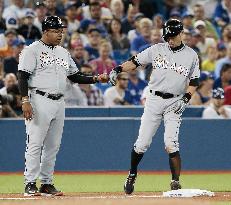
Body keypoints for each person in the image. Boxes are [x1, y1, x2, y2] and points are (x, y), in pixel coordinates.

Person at [17, 16, 108, 197]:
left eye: (61, 31)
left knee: (53, 145)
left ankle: (46, 183)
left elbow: (75, 76)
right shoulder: (32, 50)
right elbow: (22, 76)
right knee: (35, 143)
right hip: (39, 99)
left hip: (59, 101)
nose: (60, 34)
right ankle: (29, 183)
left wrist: (95, 78)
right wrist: (25, 100)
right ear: (45, 31)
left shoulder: (63, 52)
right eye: (56, 31)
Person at [109, 19, 200, 194]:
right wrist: (118, 69)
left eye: (173, 36)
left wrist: (186, 98)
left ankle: (175, 181)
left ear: (181, 34)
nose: (170, 39)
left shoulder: (191, 55)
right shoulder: (157, 49)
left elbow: (194, 82)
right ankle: (132, 174)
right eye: (168, 36)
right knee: (142, 143)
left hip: (175, 101)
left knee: (170, 143)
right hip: (154, 100)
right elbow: (134, 61)